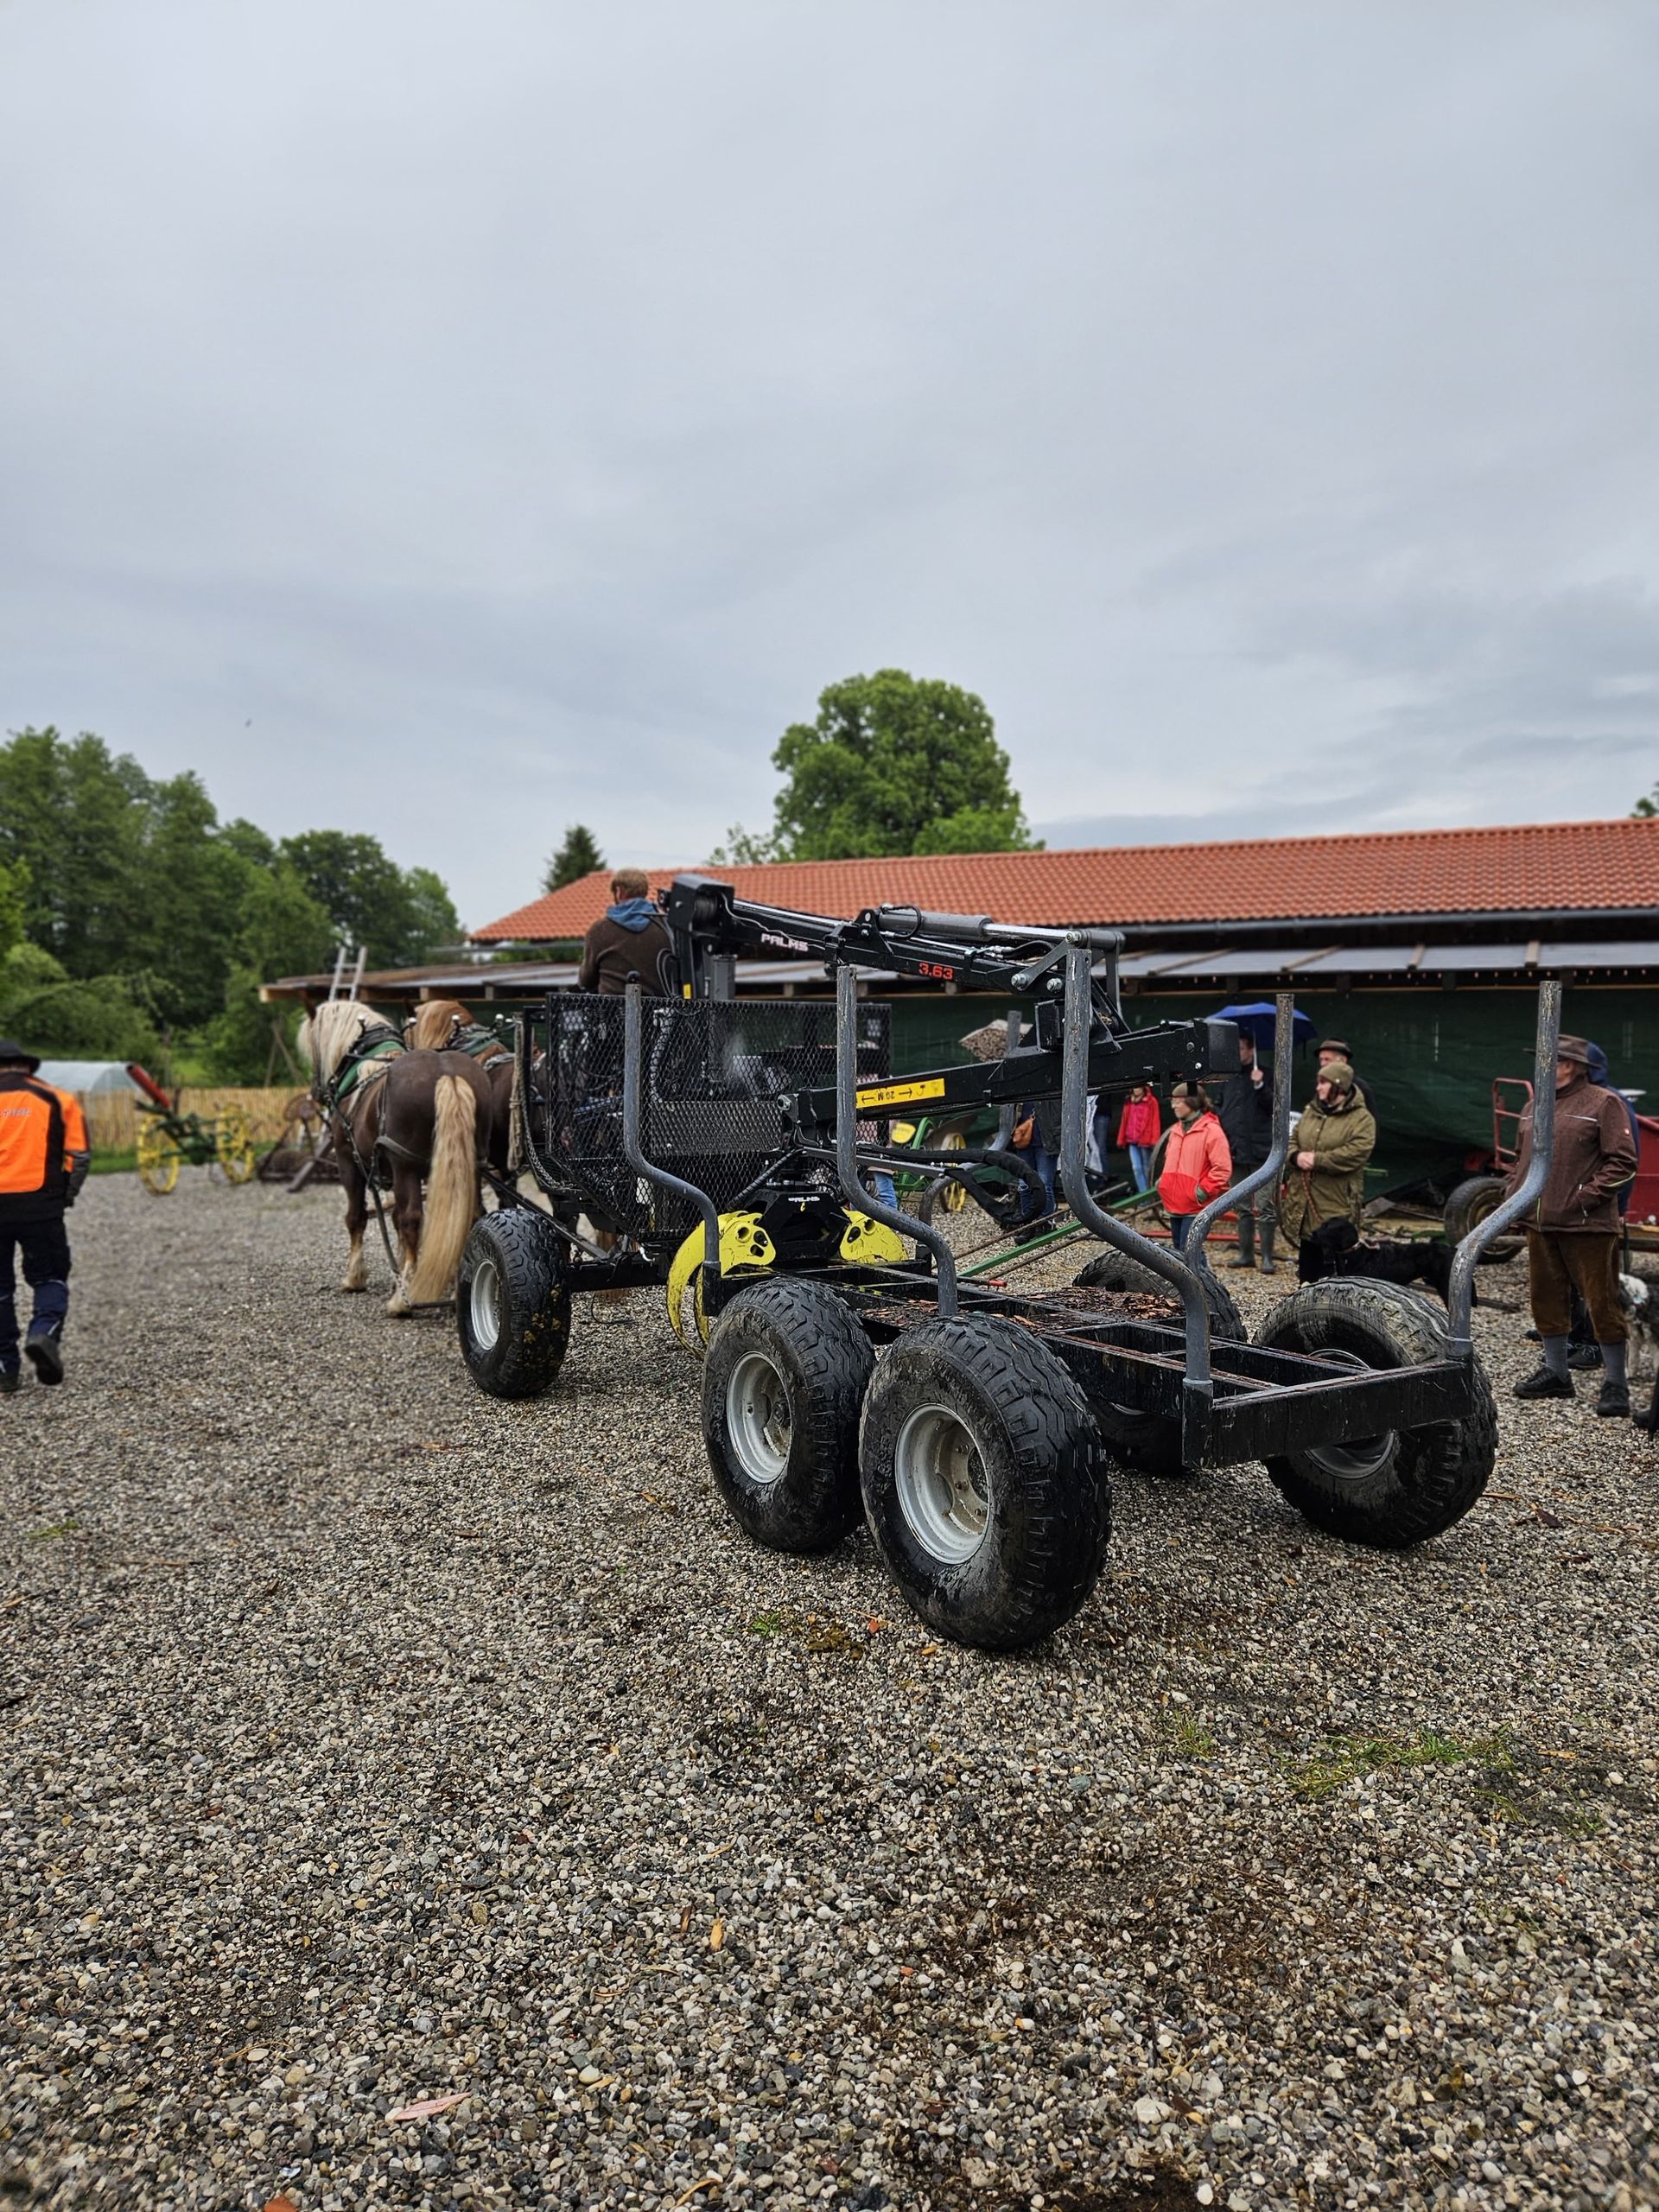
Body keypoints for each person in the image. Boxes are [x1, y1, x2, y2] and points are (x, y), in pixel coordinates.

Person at [1507, 1034, 1638, 1416]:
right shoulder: (1533, 1106)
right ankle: (1556, 1374)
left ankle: (1616, 1384)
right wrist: (1514, 1196)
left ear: (1575, 1067)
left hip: (1588, 1227)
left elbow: (1623, 1162)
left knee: (1603, 1304)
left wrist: (1583, 1199)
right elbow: (1521, 1159)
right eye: (1546, 1058)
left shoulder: (1604, 1102)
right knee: (1546, 1300)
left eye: (1556, 1059)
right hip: (1539, 1223)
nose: (1547, 1065)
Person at [0, 1039, 90, 1391]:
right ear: (27, 1066)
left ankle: (5, 1368)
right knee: (50, 1277)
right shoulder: (57, 1098)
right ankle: (43, 1333)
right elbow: (79, 1156)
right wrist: (64, 1196)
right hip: (41, 1207)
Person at [1277, 1060, 1376, 1249]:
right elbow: (1291, 1140)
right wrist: (1295, 1157)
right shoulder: (1311, 1112)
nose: (1318, 1088)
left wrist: (1317, 1160)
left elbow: (1357, 1152)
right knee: (1308, 1261)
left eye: (1323, 1083)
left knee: (1335, 1264)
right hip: (1303, 1203)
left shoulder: (1362, 1119)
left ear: (1338, 1086)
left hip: (1336, 1203)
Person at [1217, 1031, 1276, 1274]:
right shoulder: (1227, 1078)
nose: (1237, 1053)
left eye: (1240, 1048)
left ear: (1251, 1050)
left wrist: (1260, 1085)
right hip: (1236, 1149)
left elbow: (1275, 1107)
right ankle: (1246, 1255)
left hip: (1262, 1151)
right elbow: (1221, 1106)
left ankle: (1267, 1258)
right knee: (1241, 1206)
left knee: (1265, 1207)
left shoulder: (1267, 1075)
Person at [1157, 1082, 1230, 1254]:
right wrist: (1163, 1183)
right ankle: (1193, 1281)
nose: (1173, 1105)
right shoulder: (1176, 1130)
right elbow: (1169, 1161)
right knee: (1179, 1252)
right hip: (1174, 1204)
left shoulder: (1211, 1131)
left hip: (1195, 1207)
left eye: (1178, 1101)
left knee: (1190, 1252)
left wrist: (1202, 1191)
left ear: (1192, 1102)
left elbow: (1222, 1169)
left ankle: (1202, 1281)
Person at [578, 869, 673, 995]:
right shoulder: (666, 926)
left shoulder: (599, 930)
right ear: (644, 892)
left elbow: (586, 981)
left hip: (613, 1011)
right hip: (657, 1011)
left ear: (619, 891)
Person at [1116, 1084, 1160, 1193]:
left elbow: (1155, 1121)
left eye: (1139, 1087)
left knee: (1147, 1169)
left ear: (1143, 1088)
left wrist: (1155, 1141)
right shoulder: (1129, 1101)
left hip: (1146, 1140)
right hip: (1132, 1141)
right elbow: (1124, 1121)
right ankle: (1144, 1198)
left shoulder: (1151, 1101)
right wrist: (1121, 1139)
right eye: (1135, 1087)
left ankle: (1149, 1197)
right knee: (1137, 1168)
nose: (1136, 1090)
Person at [1317, 1038, 1377, 1119]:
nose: (1323, 1064)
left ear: (1343, 1060)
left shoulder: (1360, 1088)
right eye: (1321, 1060)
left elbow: (1371, 1126)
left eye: (1327, 1059)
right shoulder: (1320, 1087)